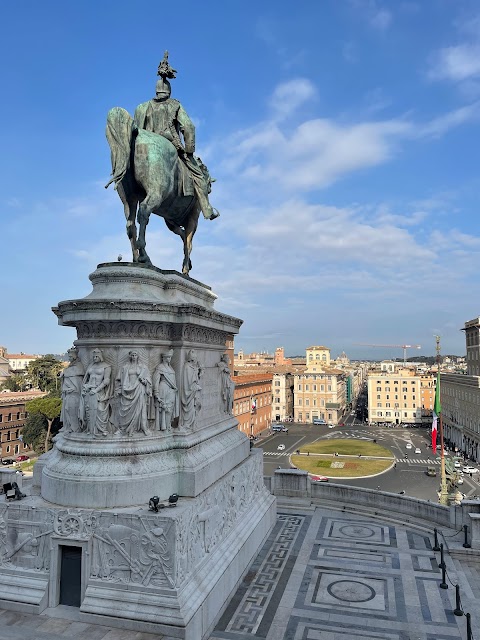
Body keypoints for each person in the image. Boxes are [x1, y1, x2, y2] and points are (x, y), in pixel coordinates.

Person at [134, 52, 219, 221]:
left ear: (156, 90)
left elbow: (137, 132)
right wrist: (188, 151)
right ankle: (207, 208)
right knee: (199, 175)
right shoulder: (175, 105)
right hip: (170, 143)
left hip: (141, 151)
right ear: (168, 91)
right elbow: (188, 127)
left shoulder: (141, 108)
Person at [116, 351, 152, 436]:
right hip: (127, 389)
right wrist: (118, 388)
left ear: (138, 356)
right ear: (130, 356)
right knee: (125, 409)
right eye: (132, 355)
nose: (134, 356)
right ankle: (123, 428)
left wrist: (144, 381)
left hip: (139, 389)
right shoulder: (125, 367)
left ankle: (142, 428)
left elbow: (148, 379)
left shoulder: (143, 367)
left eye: (135, 355)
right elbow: (119, 379)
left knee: (140, 409)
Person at [79, 348, 112, 437]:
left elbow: (106, 381)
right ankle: (90, 429)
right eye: (93, 357)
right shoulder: (91, 366)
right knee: (88, 411)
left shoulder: (106, 366)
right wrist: (86, 386)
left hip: (99, 391)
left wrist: (96, 390)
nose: (95, 358)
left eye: (97, 356)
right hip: (89, 391)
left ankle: (102, 430)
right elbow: (87, 378)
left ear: (101, 356)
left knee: (100, 410)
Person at [153, 349, 179, 431]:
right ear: (163, 358)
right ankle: (162, 426)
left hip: (171, 390)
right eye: (167, 357)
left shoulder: (170, 368)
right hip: (163, 389)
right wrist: (156, 392)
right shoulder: (160, 367)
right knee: (163, 408)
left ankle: (168, 425)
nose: (169, 359)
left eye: (170, 357)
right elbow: (156, 380)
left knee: (170, 408)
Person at [60, 346, 85, 433]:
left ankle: (75, 428)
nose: (69, 359)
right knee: (67, 409)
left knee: (73, 410)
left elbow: (77, 381)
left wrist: (65, 373)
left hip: (75, 394)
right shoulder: (71, 367)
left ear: (75, 356)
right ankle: (69, 427)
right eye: (69, 357)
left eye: (71, 357)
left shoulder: (79, 366)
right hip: (69, 393)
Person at [180, 349, 203, 429]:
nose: (196, 361)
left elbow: (196, 378)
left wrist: (200, 371)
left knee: (196, 406)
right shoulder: (187, 367)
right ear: (192, 359)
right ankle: (186, 424)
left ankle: (192, 424)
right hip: (189, 392)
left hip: (194, 391)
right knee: (189, 408)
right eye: (195, 359)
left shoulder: (193, 367)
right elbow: (188, 381)